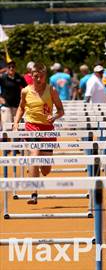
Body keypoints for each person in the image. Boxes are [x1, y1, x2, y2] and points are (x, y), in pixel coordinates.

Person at [13, 62, 64, 204]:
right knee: (34, 156)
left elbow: (61, 110)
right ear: (31, 76)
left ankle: (36, 170)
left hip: (47, 129)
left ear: (45, 76)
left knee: (46, 169)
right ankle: (34, 193)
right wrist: (16, 123)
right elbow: (21, 108)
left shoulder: (51, 90)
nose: (38, 79)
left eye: (41, 76)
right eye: (36, 76)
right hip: (31, 127)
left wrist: (54, 117)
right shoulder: (25, 91)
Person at [0, 61, 27, 130]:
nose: (11, 68)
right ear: (7, 68)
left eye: (13, 67)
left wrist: (24, 98)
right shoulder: (3, 78)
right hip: (6, 105)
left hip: (17, 106)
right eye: (9, 67)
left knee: (17, 127)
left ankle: (16, 141)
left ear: (15, 68)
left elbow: (27, 88)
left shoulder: (19, 77)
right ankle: (6, 141)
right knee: (7, 128)